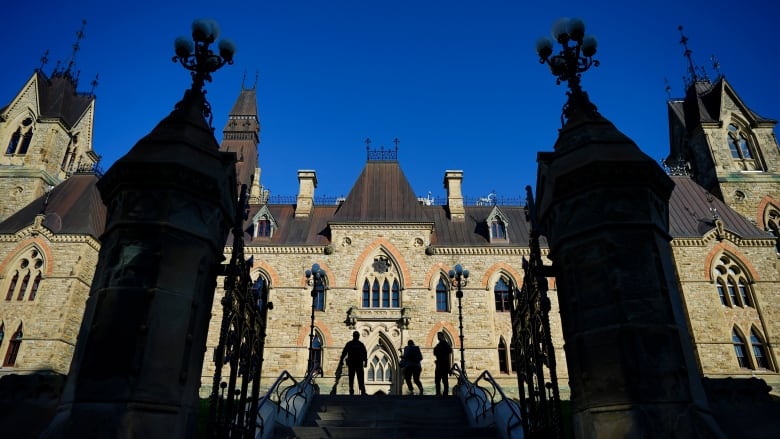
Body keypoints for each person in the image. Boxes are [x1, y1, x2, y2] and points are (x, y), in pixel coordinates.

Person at [340, 330, 368, 395]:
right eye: (356, 336)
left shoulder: (354, 344)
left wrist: (365, 361)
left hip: (356, 363)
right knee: (354, 377)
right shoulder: (357, 344)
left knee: (358, 377)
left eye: (357, 336)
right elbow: (344, 352)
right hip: (354, 363)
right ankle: (354, 390)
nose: (356, 337)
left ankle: (360, 390)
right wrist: (341, 360)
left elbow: (364, 353)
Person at [433, 331, 453, 396]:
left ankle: (443, 392)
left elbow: (448, 353)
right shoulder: (441, 344)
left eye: (439, 336)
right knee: (439, 380)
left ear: (442, 336)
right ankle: (440, 392)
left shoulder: (444, 344)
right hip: (441, 364)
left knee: (443, 379)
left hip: (443, 364)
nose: (438, 337)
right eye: (438, 336)